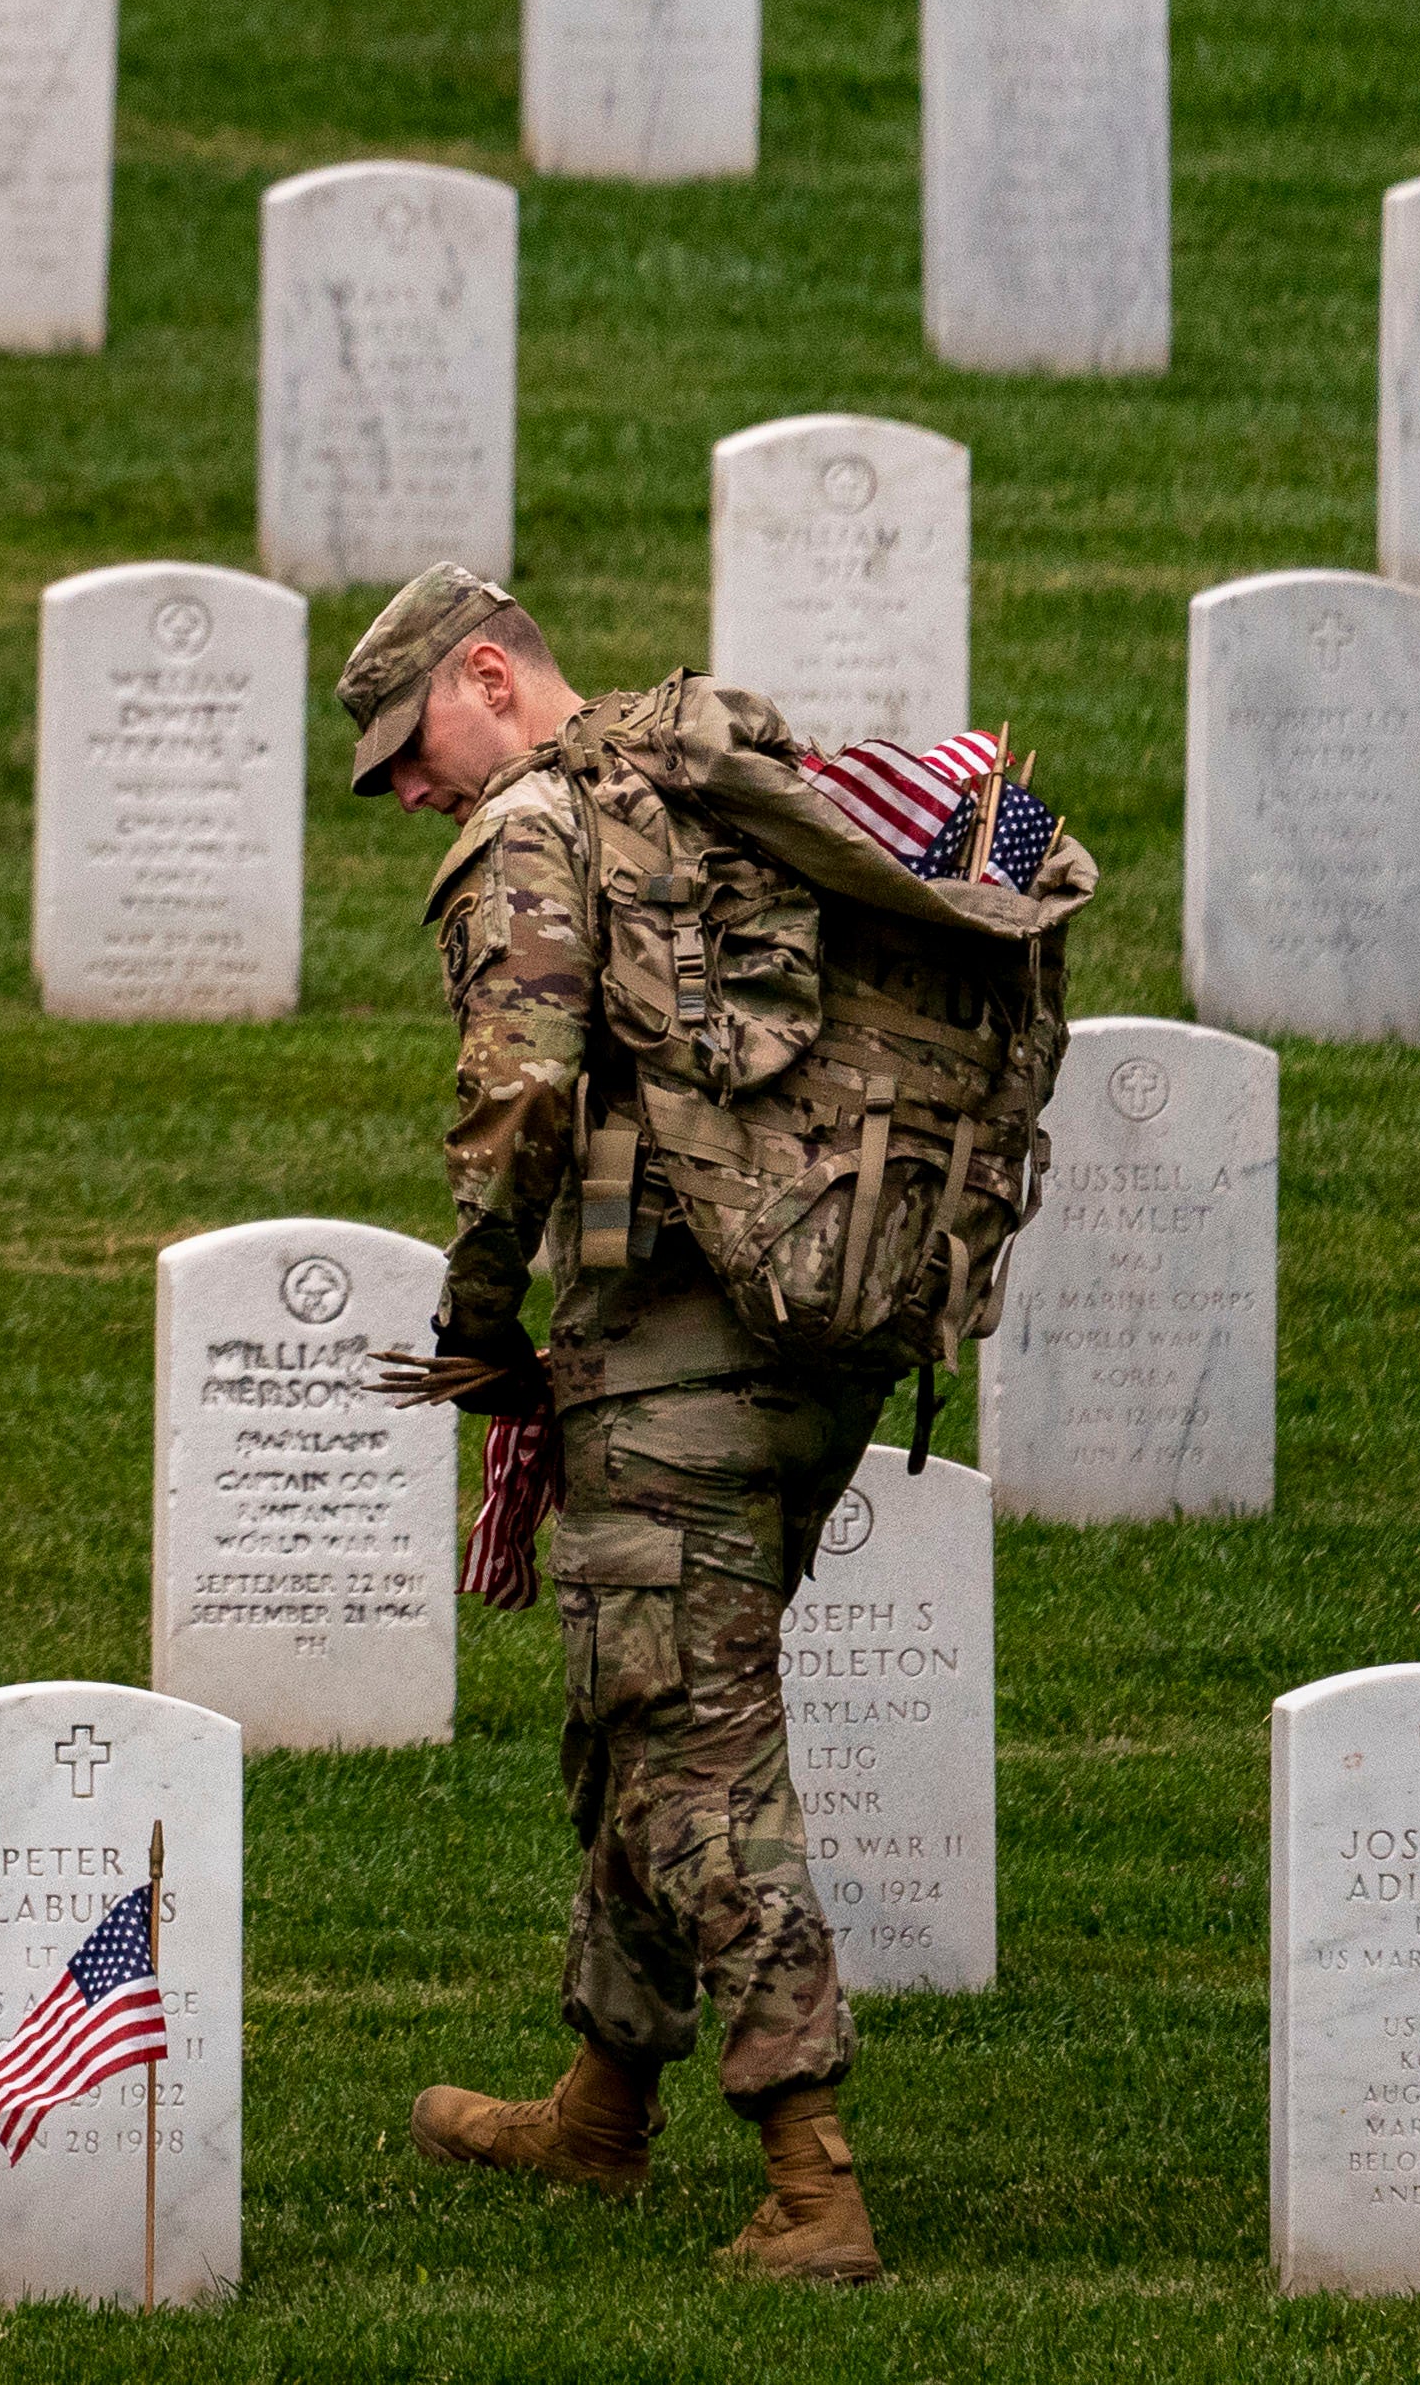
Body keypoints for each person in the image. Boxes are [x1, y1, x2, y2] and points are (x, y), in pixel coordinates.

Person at [333, 564, 889, 2288]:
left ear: (487, 674)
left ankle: (814, 2183)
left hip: (673, 1349)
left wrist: (476, 1325)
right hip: (822, 1333)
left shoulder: (534, 834)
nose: (402, 789)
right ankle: (598, 2105)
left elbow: (520, 1091)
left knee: (687, 1746)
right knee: (640, 1715)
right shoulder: (713, 780)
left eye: (404, 744)